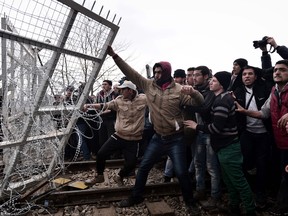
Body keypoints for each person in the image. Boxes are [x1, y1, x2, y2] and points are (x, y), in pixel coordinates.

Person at [107, 45, 204, 215]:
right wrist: (114, 55)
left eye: (159, 72)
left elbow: (199, 103)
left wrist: (194, 93)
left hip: (176, 139)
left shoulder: (180, 90)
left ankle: (190, 202)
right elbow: (131, 73)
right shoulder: (148, 84)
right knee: (144, 167)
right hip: (158, 138)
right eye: (155, 72)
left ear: (166, 73)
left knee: (181, 172)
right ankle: (136, 196)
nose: (157, 75)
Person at [184, 71, 255, 216]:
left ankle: (250, 211)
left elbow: (216, 128)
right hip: (225, 147)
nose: (210, 82)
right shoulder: (223, 98)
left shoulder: (221, 101)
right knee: (230, 182)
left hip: (228, 148)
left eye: (214, 81)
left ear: (221, 84)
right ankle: (234, 206)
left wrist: (196, 126)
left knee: (239, 182)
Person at [235, 59, 288, 216]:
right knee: (277, 171)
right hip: (278, 142)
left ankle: (278, 205)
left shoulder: (264, 88)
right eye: (275, 70)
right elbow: (264, 112)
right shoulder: (273, 91)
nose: (277, 72)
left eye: (283, 70)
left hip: (267, 137)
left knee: (275, 170)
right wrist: (244, 112)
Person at [84, 80, 147, 186]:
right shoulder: (119, 100)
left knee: (131, 163)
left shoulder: (143, 99)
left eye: (123, 90)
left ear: (130, 91)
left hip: (133, 139)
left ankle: (120, 176)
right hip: (119, 136)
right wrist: (89, 106)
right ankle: (99, 176)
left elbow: (157, 100)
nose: (121, 92)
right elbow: (105, 105)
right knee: (101, 154)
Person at [233, 65, 272, 209]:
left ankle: (260, 194)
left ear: (256, 76)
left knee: (262, 165)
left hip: (264, 134)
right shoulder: (237, 92)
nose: (247, 76)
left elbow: (268, 72)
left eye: (250, 74)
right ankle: (246, 190)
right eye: (244, 74)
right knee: (243, 163)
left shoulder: (265, 89)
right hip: (247, 133)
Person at [189, 66, 221, 209]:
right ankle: (200, 190)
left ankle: (215, 196)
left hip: (209, 133)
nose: (193, 77)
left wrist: (187, 106)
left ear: (206, 76)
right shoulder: (197, 90)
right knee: (198, 164)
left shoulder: (210, 91)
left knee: (212, 167)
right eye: (192, 75)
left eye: (197, 75)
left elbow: (205, 109)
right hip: (199, 132)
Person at [95, 80, 118, 153]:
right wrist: (100, 112)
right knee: (102, 137)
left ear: (110, 86)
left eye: (105, 84)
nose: (103, 86)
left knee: (111, 137)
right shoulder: (99, 94)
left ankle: (113, 154)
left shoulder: (114, 94)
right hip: (101, 119)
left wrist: (109, 111)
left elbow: (116, 106)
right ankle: (104, 154)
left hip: (111, 119)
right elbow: (96, 105)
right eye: (102, 84)